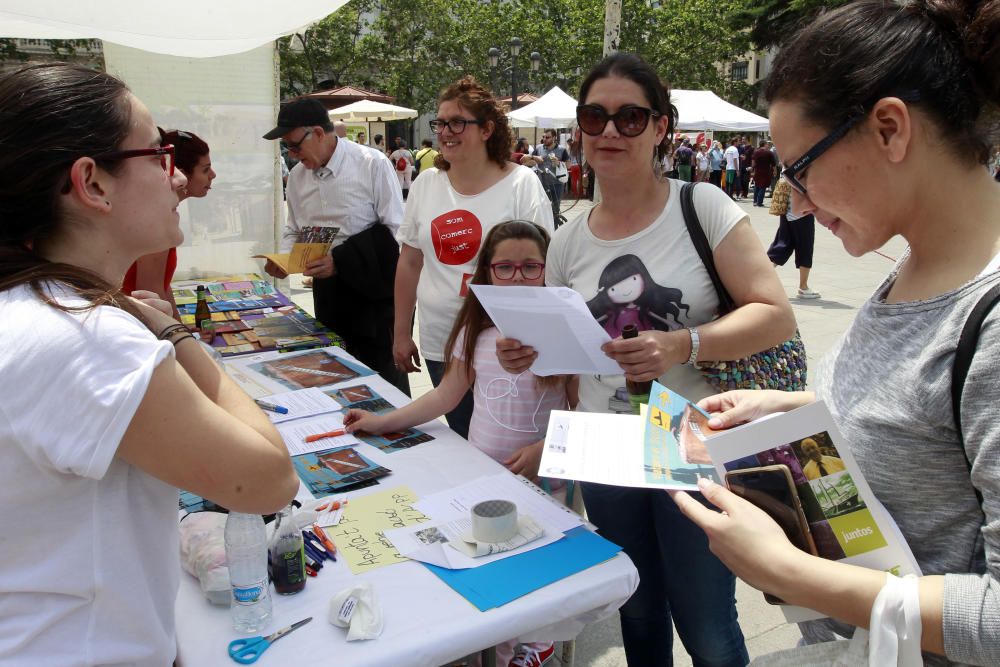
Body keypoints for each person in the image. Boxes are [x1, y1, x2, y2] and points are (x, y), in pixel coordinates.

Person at [671, 2, 1000, 665]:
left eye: (800, 168)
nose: (794, 201)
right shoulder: (910, 267)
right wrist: (793, 411)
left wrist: (784, 569)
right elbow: (925, 424)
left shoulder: (988, 324)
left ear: (888, 129)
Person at [497, 52, 796, 666]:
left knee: (705, 618)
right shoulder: (571, 236)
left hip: (684, 435)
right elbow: (570, 358)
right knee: (633, 604)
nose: (609, 131)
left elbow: (775, 313)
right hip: (603, 445)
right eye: (595, 117)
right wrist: (527, 351)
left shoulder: (702, 206)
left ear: (661, 127)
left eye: (630, 118)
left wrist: (681, 344)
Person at [0, 63, 299, 664]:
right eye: (160, 155)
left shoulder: (31, 309)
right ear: (93, 183)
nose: (178, 179)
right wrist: (171, 332)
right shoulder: (87, 336)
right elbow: (268, 481)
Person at [347, 221, 575, 667]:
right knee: (486, 565)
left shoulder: (564, 331)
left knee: (532, 569)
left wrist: (545, 450)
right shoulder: (476, 331)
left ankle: (530, 643)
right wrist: (382, 422)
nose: (518, 278)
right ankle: (496, 646)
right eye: (504, 268)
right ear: (486, 274)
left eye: (531, 267)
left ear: (550, 270)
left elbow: (582, 411)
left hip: (542, 479)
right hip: (481, 476)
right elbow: (445, 395)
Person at [393, 76, 554, 439]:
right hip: (441, 340)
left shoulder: (521, 184)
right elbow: (409, 263)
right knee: (463, 438)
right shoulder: (425, 184)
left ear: (487, 130)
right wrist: (400, 332)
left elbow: (544, 271)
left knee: (502, 444)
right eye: (440, 122)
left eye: (457, 122)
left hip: (503, 345)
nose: (445, 131)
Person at [262, 98, 409, 394]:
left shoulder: (371, 164)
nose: (292, 155)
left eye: (294, 146)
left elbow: (397, 232)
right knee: (335, 371)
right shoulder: (299, 178)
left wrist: (342, 261)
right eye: (287, 148)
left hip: (373, 292)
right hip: (328, 292)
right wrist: (283, 258)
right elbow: (294, 227)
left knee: (382, 378)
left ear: (318, 133)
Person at [122, 128, 216, 319]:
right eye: (205, 169)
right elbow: (152, 292)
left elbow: (163, 288)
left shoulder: (159, 213)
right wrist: (182, 340)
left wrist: (184, 332)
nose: (213, 175)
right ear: (177, 171)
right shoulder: (155, 219)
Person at [767, 176, 820, 299]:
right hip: (802, 214)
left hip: (787, 212)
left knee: (782, 245)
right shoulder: (802, 168)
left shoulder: (788, 166)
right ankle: (803, 287)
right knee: (805, 248)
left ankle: (760, 277)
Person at [532, 129, 570, 221]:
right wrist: (534, 159)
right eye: (543, 137)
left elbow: (569, 165)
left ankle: (555, 229)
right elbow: (530, 161)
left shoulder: (562, 149)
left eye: (547, 137)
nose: (545, 139)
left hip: (557, 183)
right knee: (543, 208)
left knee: (555, 209)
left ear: (554, 138)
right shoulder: (538, 148)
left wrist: (558, 163)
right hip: (542, 183)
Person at [751, 140, 775, 207]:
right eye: (767, 144)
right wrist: (775, 171)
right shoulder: (769, 153)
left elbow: (753, 162)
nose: (768, 145)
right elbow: (773, 164)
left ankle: (755, 201)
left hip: (757, 171)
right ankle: (759, 202)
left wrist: (753, 170)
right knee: (763, 187)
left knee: (757, 186)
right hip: (765, 172)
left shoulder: (755, 152)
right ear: (764, 144)